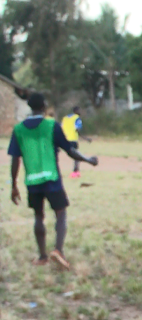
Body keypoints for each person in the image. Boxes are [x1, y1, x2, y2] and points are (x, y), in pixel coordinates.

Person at [7, 93, 99, 269]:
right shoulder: (51, 126)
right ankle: (58, 250)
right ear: (44, 107)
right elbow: (70, 150)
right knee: (60, 212)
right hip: (51, 179)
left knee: (38, 216)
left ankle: (42, 256)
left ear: (29, 107)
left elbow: (15, 160)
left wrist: (13, 186)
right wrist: (88, 159)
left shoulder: (19, 130)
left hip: (32, 181)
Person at [61, 106, 92, 178]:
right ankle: (75, 172)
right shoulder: (77, 118)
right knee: (76, 156)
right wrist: (86, 138)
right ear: (76, 111)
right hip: (72, 139)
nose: (80, 112)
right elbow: (77, 130)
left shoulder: (65, 118)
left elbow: (61, 127)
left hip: (64, 139)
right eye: (79, 110)